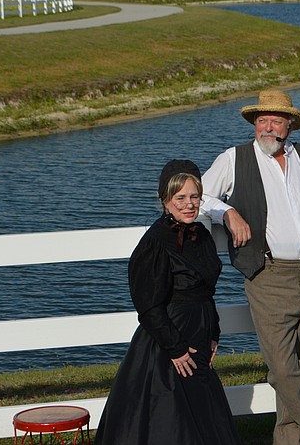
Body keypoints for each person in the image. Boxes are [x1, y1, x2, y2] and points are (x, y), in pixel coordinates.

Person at [201, 89, 300, 445]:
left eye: (275, 120)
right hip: (268, 275)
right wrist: (227, 212)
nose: (266, 127)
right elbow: (199, 194)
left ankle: (289, 440)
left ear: (289, 125)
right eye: (261, 120)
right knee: (283, 369)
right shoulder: (235, 158)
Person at [94, 159, 241, 445]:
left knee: (203, 413)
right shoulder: (155, 242)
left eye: (194, 197)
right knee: (171, 416)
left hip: (199, 333)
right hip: (168, 340)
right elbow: (148, 305)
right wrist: (174, 348)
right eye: (180, 198)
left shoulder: (202, 236)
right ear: (165, 200)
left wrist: (213, 334)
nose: (189, 205)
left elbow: (204, 290)